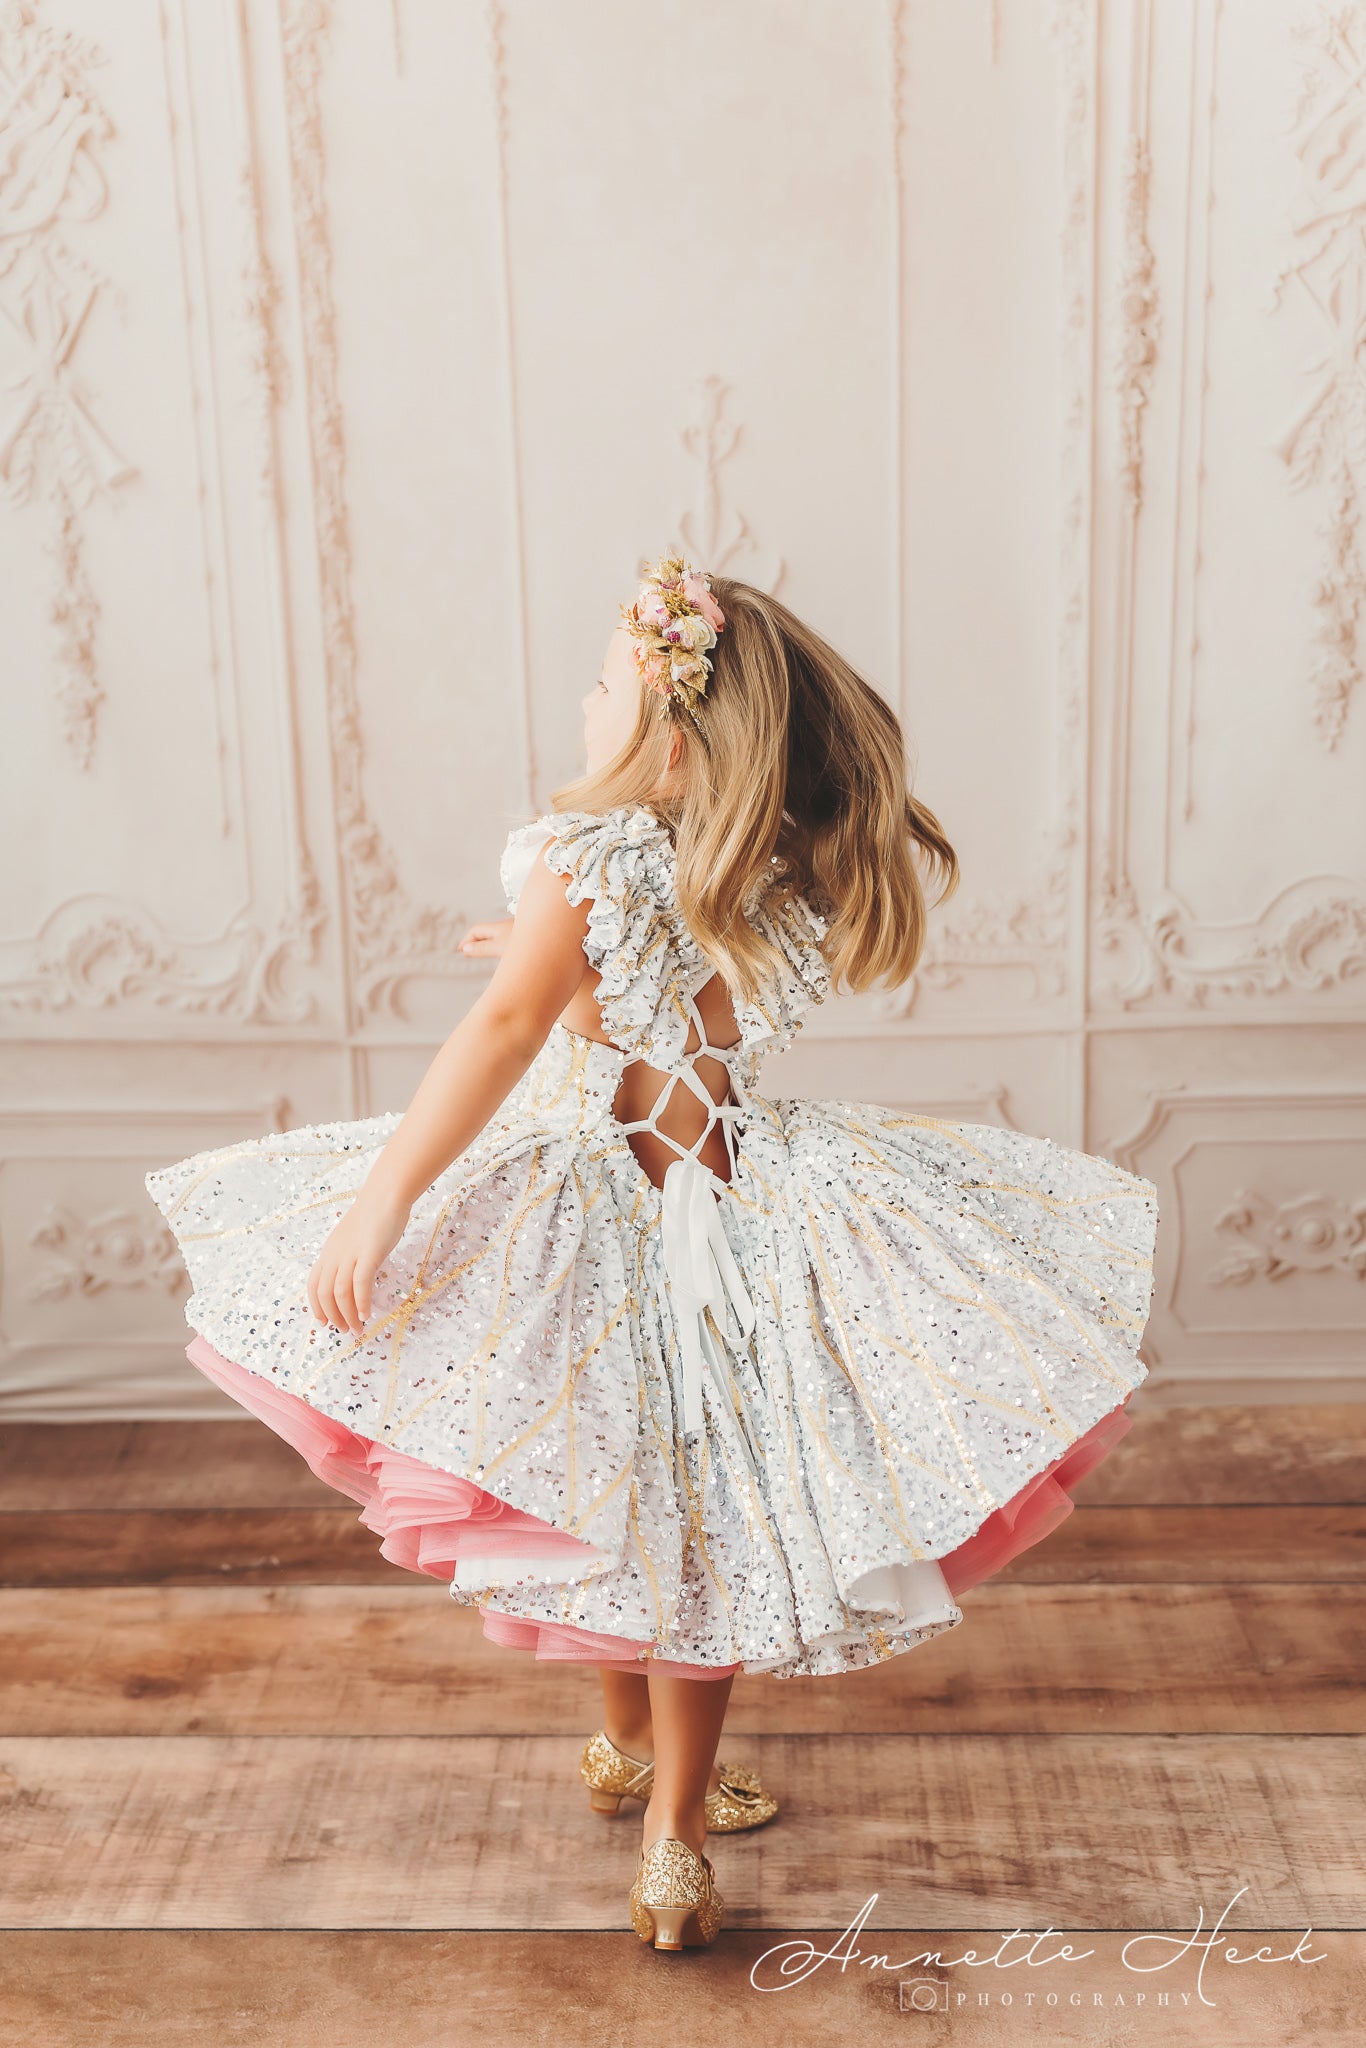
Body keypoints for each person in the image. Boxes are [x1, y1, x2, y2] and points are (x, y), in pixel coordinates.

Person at [146, 552, 1159, 1954]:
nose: (581, 701)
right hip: (749, 1209)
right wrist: (551, 960)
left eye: (604, 685)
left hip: (610, 1223)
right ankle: (652, 1799)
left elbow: (507, 1032)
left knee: (620, 1497)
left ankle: (667, 1821)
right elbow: (656, 991)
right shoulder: (777, 863)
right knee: (695, 1515)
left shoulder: (583, 856)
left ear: (669, 735)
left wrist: (382, 1198)